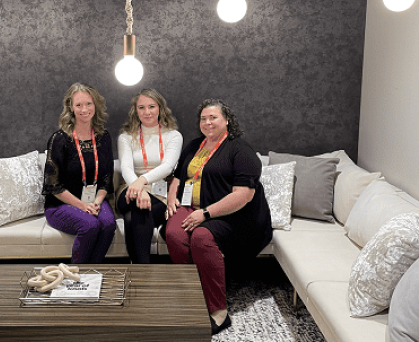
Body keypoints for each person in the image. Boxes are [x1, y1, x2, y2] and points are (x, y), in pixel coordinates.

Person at [165, 99, 273, 335]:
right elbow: (177, 176)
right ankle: (194, 294)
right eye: (203, 118)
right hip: (193, 206)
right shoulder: (195, 145)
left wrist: (204, 214)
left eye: (213, 117)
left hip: (232, 214)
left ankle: (218, 311)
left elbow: (243, 195)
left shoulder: (241, 150)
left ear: (226, 120)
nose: (207, 122)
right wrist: (172, 197)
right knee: (173, 233)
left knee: (201, 238)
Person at [42, 83, 116, 264]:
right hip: (60, 205)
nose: (84, 109)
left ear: (96, 105)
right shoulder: (59, 139)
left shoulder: (103, 137)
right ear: (70, 108)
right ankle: (76, 274)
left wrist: (97, 202)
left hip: (94, 201)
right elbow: (53, 186)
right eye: (79, 105)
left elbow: (106, 177)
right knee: (90, 224)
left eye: (89, 104)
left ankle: (92, 272)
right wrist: (83, 206)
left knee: (108, 224)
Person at [117, 88, 183, 263]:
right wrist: (139, 188)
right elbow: (126, 168)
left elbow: (168, 166)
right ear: (135, 110)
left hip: (160, 193)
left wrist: (143, 181)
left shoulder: (173, 136)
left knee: (135, 216)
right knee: (139, 205)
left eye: (151, 106)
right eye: (141, 107)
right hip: (129, 188)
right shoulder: (126, 136)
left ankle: (139, 269)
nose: (147, 112)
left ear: (160, 108)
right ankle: (145, 270)